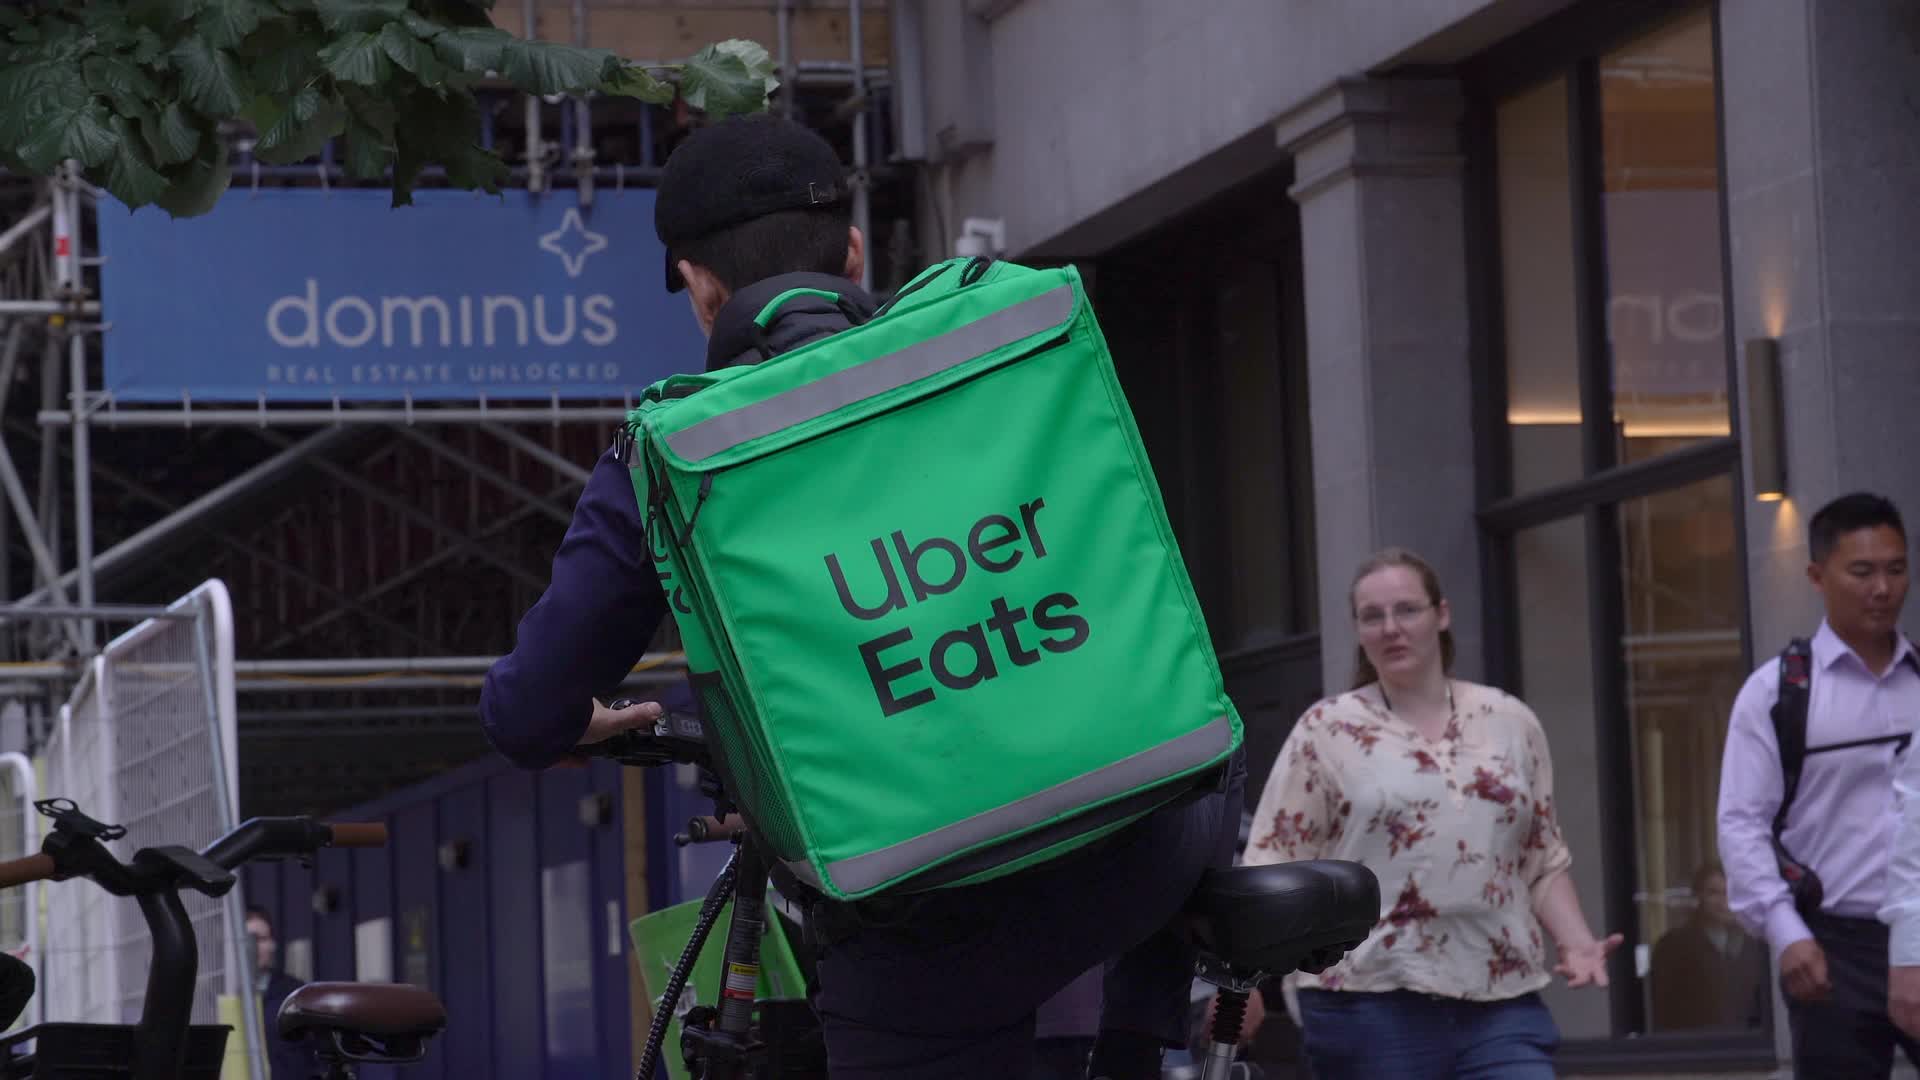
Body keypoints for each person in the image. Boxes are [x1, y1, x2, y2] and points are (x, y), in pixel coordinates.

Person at [478, 113, 1243, 1080]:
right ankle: (1136, 1042)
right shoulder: (991, 338)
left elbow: (524, 711)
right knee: (1200, 727)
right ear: (851, 252)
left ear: (700, 288)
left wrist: (572, 722)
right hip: (1142, 849)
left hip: (931, 928)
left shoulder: (672, 450)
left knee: (907, 992)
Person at [1242, 547, 1619, 1079]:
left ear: (1441, 614)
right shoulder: (1326, 730)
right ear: (1357, 630)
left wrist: (1577, 943)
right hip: (1368, 1000)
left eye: (1407, 610)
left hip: (1500, 996)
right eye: (1372, 616)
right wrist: (1244, 980)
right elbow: (1273, 861)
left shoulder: (1509, 720)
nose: (1391, 628)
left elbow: (1541, 857)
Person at [1717, 492, 1919, 1075]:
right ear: (1816, 576)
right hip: (1831, 945)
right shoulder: (1777, 692)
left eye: (1896, 569)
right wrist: (1786, 932)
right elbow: (1742, 823)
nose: (1882, 588)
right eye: (1862, 572)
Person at [1647, 863, 1768, 1031]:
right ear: (1698, 896)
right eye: (1713, 893)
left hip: (1751, 1040)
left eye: (1729, 892)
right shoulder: (1673, 946)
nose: (1723, 901)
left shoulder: (1758, 944)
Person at [246, 906, 321, 1080]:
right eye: (248, 940)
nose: (254, 947)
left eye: (261, 939)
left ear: (272, 944)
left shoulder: (296, 994)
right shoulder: (219, 996)